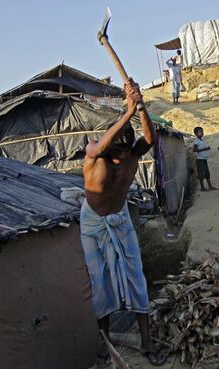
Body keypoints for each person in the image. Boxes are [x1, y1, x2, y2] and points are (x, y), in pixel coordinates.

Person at [79, 80, 165, 367]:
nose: (122, 159)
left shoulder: (133, 154)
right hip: (93, 224)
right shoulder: (95, 155)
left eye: (127, 153)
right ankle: (104, 341)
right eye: (117, 154)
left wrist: (140, 108)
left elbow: (151, 139)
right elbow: (100, 145)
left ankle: (146, 339)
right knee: (99, 282)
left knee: (136, 278)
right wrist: (127, 112)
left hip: (120, 219)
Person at [193, 126, 217, 191]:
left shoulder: (202, 140)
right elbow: (194, 150)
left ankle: (210, 186)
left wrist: (207, 148)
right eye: (200, 132)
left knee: (207, 173)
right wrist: (205, 149)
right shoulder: (196, 141)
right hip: (200, 159)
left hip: (204, 159)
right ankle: (202, 187)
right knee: (201, 174)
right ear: (196, 134)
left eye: (202, 131)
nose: (202, 133)